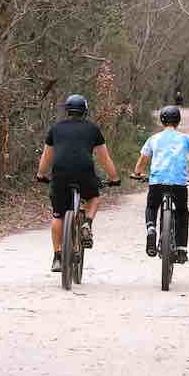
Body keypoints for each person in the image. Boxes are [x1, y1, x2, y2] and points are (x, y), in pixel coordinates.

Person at [36, 94, 121, 272]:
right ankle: (87, 223)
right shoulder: (93, 129)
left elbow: (47, 156)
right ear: (85, 111)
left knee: (58, 215)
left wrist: (41, 174)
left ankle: (57, 257)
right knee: (94, 197)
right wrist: (114, 178)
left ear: (67, 110)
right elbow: (104, 158)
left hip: (60, 173)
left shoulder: (56, 129)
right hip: (84, 171)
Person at [132, 105, 189, 264]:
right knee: (182, 212)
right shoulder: (185, 139)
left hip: (157, 182)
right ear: (178, 121)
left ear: (162, 121)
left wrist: (137, 173)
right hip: (178, 184)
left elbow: (143, 161)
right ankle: (181, 249)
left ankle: (151, 228)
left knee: (152, 206)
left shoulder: (154, 138)